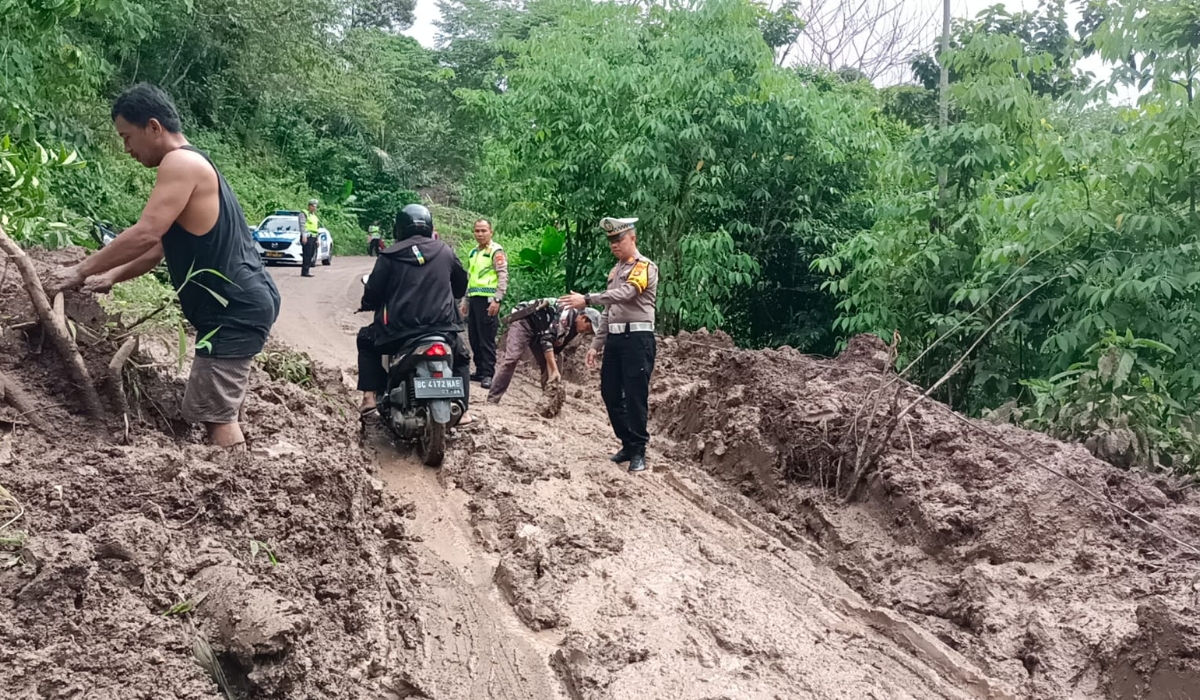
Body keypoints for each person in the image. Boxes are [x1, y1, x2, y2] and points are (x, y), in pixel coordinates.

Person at [47, 83, 280, 448]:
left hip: (232, 309)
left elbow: (145, 232)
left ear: (153, 127)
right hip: (240, 302)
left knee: (214, 416)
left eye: (127, 137)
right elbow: (158, 246)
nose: (126, 149)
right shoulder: (194, 162)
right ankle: (236, 478)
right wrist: (111, 275)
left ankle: (235, 490)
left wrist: (79, 271)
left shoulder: (180, 163)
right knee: (219, 408)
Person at [358, 204, 474, 425]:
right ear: (429, 226)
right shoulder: (445, 251)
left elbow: (373, 292)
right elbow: (460, 286)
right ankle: (465, 410)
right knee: (462, 357)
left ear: (399, 228)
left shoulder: (389, 256)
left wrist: (367, 303)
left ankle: (370, 397)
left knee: (365, 339)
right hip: (443, 330)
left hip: (398, 333)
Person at [559, 217, 658, 473]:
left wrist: (588, 299)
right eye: (611, 241)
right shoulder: (615, 271)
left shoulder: (644, 267)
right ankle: (627, 442)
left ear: (633, 238)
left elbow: (626, 294)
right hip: (614, 339)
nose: (614, 245)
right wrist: (596, 343)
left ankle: (639, 450)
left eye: (619, 239)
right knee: (610, 393)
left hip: (637, 339)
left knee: (635, 396)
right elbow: (608, 310)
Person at [486, 299, 601, 404]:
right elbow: (547, 342)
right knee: (512, 358)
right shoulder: (565, 315)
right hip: (525, 321)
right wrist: (555, 369)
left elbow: (555, 349)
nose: (587, 331)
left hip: (541, 329)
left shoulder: (575, 327)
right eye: (589, 328)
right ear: (583, 318)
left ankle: (549, 402)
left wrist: (554, 369)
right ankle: (492, 399)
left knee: (552, 363)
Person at [462, 219, 507, 390]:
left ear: (491, 232)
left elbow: (503, 275)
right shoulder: (474, 252)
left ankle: (488, 373)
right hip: (474, 299)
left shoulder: (496, 251)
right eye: (477, 231)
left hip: (488, 300)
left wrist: (497, 299)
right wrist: (465, 300)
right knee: (474, 337)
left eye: (483, 231)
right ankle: (480, 370)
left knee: (486, 338)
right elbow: (471, 278)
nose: (480, 234)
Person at [301, 198, 320, 277]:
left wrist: (317, 239)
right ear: (309, 206)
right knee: (307, 254)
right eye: (312, 206)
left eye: (315, 206)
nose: (314, 208)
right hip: (307, 237)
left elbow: (316, 228)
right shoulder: (304, 213)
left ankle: (307, 270)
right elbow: (302, 225)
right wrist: (304, 236)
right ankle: (305, 271)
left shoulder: (314, 216)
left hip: (314, 237)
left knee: (312, 254)